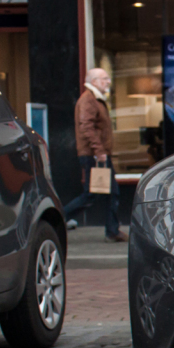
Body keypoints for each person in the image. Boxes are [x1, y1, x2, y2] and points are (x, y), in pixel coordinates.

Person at [64, 68, 127, 242]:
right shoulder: (89, 100)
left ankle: (112, 231)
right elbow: (86, 126)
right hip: (95, 156)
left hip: (98, 154)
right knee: (92, 194)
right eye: (104, 79)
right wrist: (99, 152)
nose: (108, 81)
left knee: (110, 193)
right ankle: (61, 217)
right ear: (94, 81)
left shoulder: (95, 99)